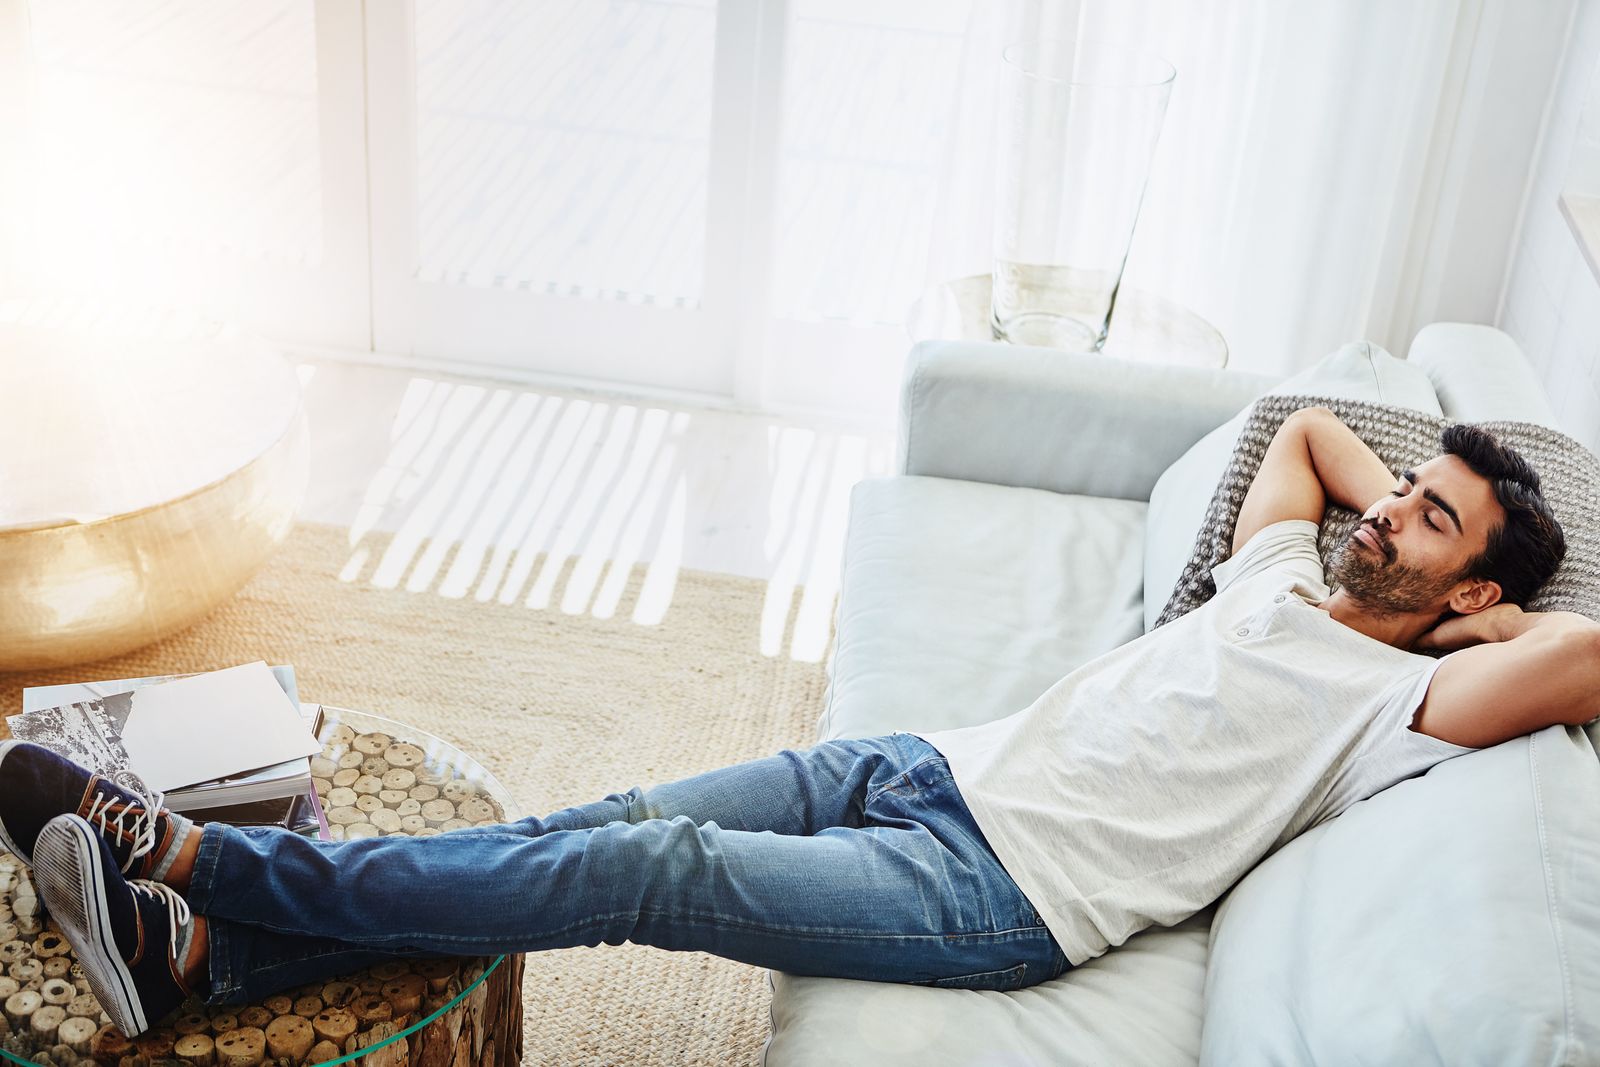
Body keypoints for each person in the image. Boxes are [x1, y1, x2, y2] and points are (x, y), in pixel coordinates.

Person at [3, 409, 1595, 1041]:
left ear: (1471, 604)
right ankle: (200, 965)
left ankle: (205, 867)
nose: (1385, 512)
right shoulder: (1279, 584)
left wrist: (1516, 620)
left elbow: (1587, 661)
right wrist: (1414, 497)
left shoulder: (1410, 697)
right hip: (928, 764)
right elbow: (1308, 434)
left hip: (1005, 893)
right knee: (590, 820)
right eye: (1408, 491)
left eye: (1433, 521)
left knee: (643, 868)